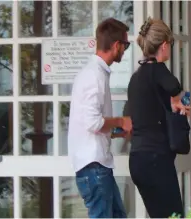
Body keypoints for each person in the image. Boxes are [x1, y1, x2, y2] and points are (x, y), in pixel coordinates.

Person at [127, 17, 191, 218]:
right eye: (170, 44)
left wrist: (171, 104)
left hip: (137, 158)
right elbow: (174, 87)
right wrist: (179, 102)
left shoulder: (136, 77)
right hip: (156, 158)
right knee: (173, 215)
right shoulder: (158, 69)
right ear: (164, 45)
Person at [68, 18, 132, 218]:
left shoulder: (97, 73)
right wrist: (121, 121)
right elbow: (93, 122)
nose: (125, 50)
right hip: (93, 167)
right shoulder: (93, 76)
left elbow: (92, 124)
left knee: (118, 215)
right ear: (115, 46)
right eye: (126, 45)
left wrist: (116, 132)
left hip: (97, 165)